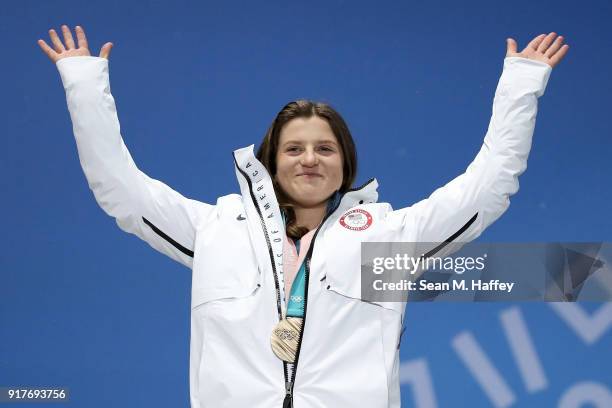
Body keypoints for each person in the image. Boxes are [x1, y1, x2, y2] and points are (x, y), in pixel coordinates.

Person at [38, 25, 568, 408]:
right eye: (294, 149)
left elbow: (487, 187)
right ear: (270, 161)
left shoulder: (387, 239)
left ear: (346, 163)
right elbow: (121, 191)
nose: (309, 159)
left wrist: (522, 83)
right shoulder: (215, 230)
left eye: (325, 149)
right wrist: (84, 84)